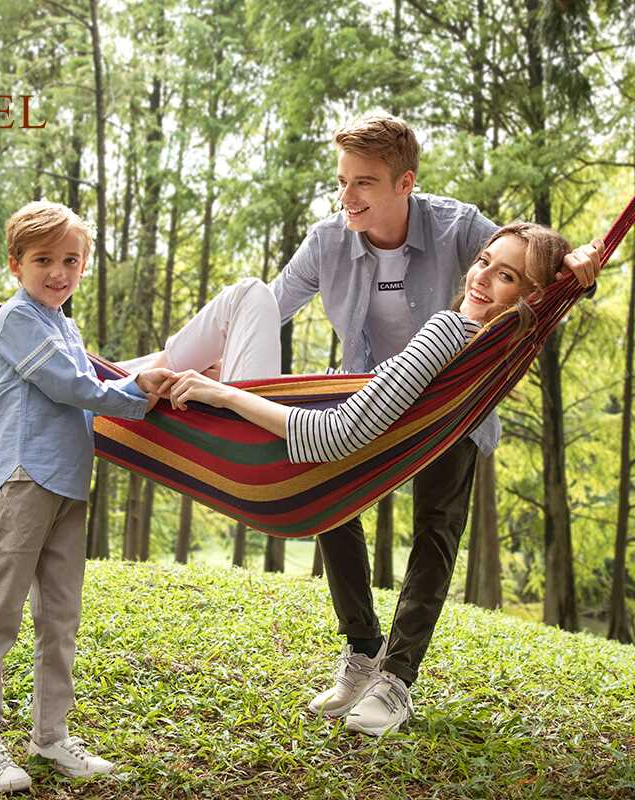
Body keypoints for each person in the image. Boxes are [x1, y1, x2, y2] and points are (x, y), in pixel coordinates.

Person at [144, 113, 603, 738]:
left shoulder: (463, 230)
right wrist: (218, 371)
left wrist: (578, 267)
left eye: (364, 182)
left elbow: (529, 271)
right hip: (369, 396)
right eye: (342, 180)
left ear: (404, 183)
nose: (348, 195)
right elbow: (265, 307)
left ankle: (396, 678)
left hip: (448, 403)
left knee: (437, 526)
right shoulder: (329, 241)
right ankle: (363, 655)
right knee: (333, 507)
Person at [0, 201, 173, 792]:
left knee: (60, 618)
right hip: (22, 479)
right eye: (43, 260)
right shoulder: (16, 319)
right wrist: (137, 391)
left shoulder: (65, 326)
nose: (58, 271)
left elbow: (87, 377)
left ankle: (50, 736)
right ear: (15, 264)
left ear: (84, 266)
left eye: (70, 260)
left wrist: (149, 378)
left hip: (69, 485)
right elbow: (72, 385)